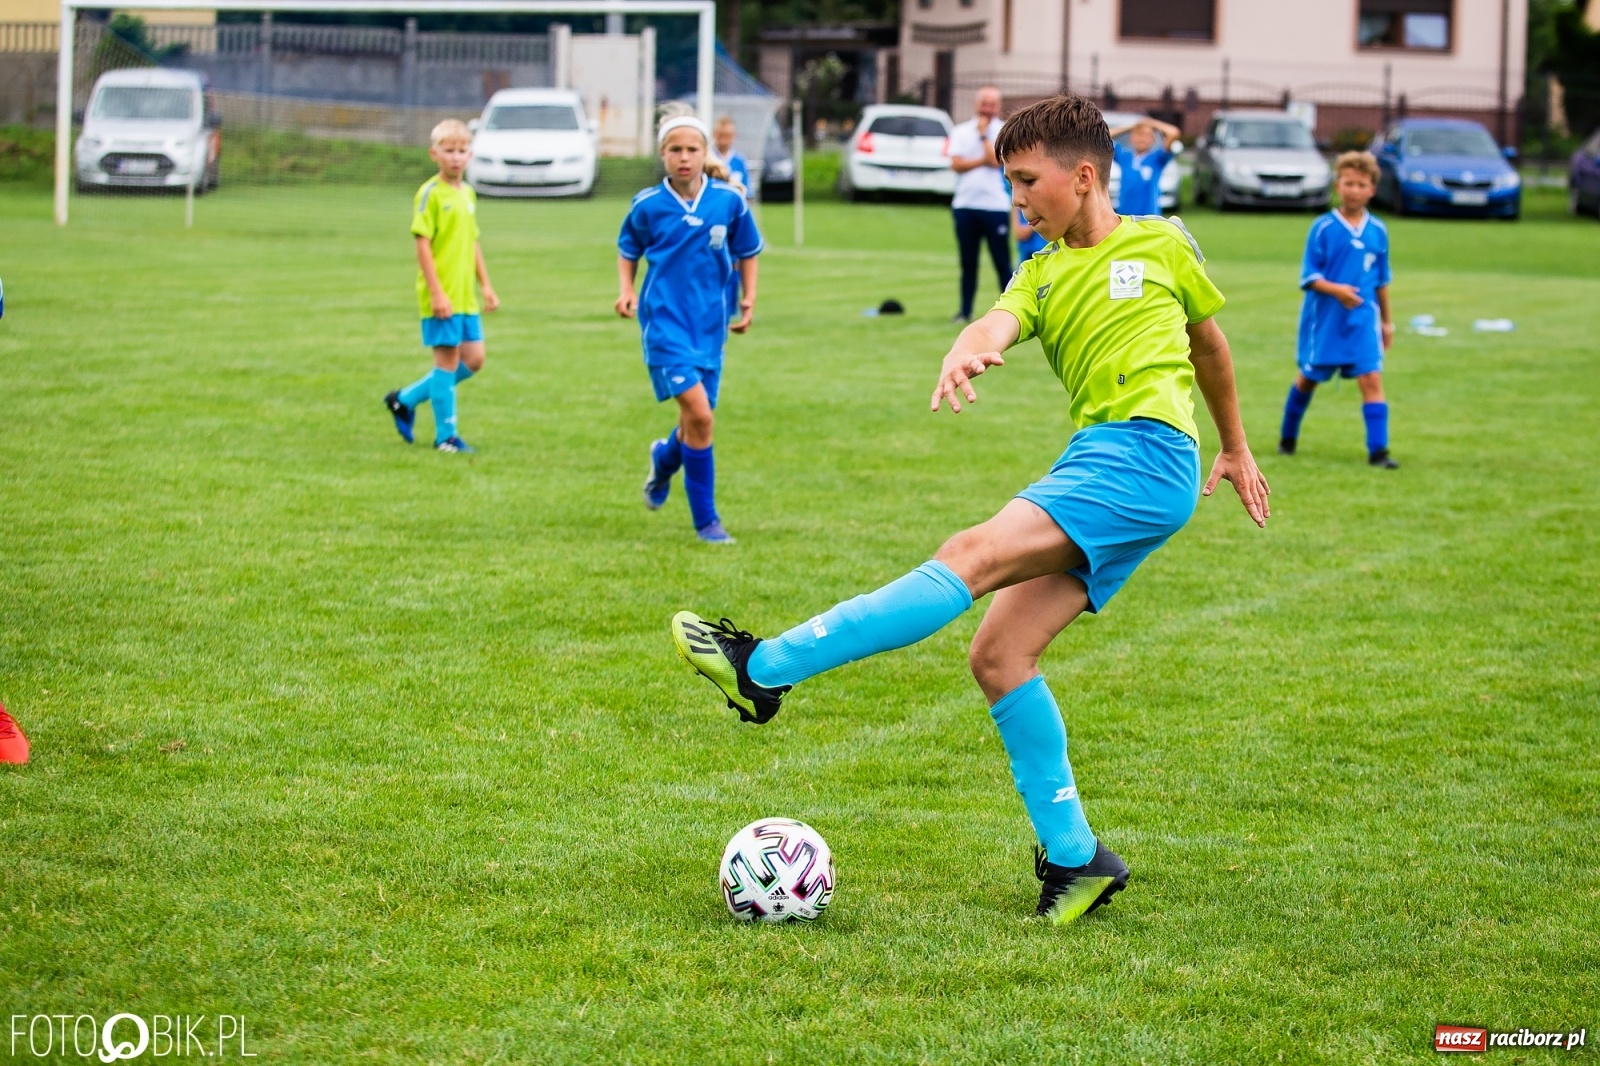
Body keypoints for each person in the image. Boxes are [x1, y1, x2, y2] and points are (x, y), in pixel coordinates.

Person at [669, 94, 1270, 924]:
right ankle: (1076, 860)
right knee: (999, 655)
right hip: (1105, 460)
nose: (1018, 200)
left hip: (1145, 456)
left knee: (971, 552)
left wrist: (1234, 445)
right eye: (1009, 182)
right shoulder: (1040, 270)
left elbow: (1209, 343)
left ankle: (762, 668)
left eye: (1027, 181)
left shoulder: (1163, 243)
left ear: (1084, 175)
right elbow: (995, 323)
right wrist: (967, 350)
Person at [619, 106, 764, 544]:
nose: (684, 157)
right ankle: (707, 521)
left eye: (692, 149)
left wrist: (749, 297)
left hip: (710, 327)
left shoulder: (728, 201)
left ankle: (664, 459)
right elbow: (628, 249)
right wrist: (626, 289)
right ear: (662, 154)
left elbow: (749, 250)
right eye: (675, 149)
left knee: (696, 423)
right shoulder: (647, 205)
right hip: (664, 326)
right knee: (700, 415)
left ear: (705, 153)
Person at [384, 119, 500, 454]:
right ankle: (445, 437)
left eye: (462, 151)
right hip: (442, 294)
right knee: (446, 362)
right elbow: (422, 243)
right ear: (434, 154)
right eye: (448, 151)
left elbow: (473, 242)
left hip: (465, 295)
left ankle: (403, 400)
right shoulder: (430, 194)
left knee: (474, 359)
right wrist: (436, 292)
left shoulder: (468, 194)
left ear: (470, 154)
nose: (456, 157)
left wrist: (486, 286)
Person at [1278, 150, 1397, 468]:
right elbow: (1309, 276)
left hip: (1363, 320)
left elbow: (1382, 280)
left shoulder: (1378, 231)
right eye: (1348, 183)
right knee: (1308, 378)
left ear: (1371, 189)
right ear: (1337, 186)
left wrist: (1387, 322)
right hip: (1326, 320)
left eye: (1361, 185)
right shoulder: (1323, 228)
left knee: (1371, 378)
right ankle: (1287, 439)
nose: (1354, 190)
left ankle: (1379, 452)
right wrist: (1336, 290)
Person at [948, 86, 1014, 323]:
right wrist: (982, 160)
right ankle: (965, 310)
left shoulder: (1004, 132)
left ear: (998, 106)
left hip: (994, 206)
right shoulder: (961, 131)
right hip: (965, 204)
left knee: (1002, 261)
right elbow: (956, 164)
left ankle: (1012, 311)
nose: (987, 108)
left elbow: (997, 161)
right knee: (968, 262)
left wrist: (984, 136)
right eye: (984, 103)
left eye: (992, 104)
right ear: (977, 104)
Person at [1106, 116, 1181, 217]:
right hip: (1126, 214)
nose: (1142, 138)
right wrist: (1130, 127)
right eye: (1138, 134)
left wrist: (1152, 123)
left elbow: (1174, 133)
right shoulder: (1124, 156)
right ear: (1131, 137)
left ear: (1153, 139)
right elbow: (1104, 135)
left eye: (1146, 135)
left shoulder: (1157, 157)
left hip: (1149, 216)